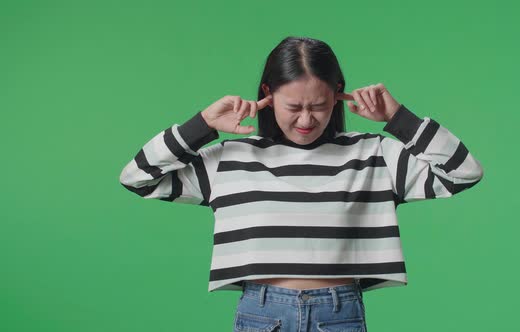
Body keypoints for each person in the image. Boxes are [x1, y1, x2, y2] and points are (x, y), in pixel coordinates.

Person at [119, 36, 484, 332]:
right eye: (294, 107)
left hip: (338, 313)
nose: (307, 119)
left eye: (320, 105)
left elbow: (464, 171)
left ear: (338, 93)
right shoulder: (231, 158)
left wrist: (398, 118)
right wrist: (202, 125)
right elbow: (137, 177)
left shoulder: (374, 155)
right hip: (261, 313)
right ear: (268, 93)